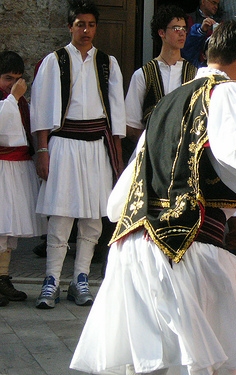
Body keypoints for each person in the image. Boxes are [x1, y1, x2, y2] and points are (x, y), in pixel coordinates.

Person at [70, 20, 236, 375]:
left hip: (134, 246)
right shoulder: (225, 91)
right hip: (185, 248)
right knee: (208, 358)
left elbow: (127, 184)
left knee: (153, 364)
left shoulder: (168, 101)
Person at [31, 0, 126, 309]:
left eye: (91, 24)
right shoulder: (54, 61)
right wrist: (42, 150)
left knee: (92, 219)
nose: (86, 30)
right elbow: (42, 110)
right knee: (60, 215)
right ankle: (51, 281)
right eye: (80, 24)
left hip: (96, 146)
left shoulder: (107, 63)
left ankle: (80, 279)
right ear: (70, 27)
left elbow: (116, 115)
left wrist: (117, 158)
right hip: (63, 144)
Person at [0, 51, 46, 307]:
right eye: (7, 78)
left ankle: (2, 277)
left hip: (17, 168)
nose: (13, 84)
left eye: (17, 79)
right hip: (1, 166)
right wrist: (14, 97)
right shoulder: (11, 99)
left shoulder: (20, 102)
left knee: (9, 231)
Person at [125, 4, 197, 146]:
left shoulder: (195, 74)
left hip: (185, 153)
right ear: (161, 33)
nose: (182, 33)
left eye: (184, 28)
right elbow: (131, 126)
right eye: (176, 28)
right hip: (151, 151)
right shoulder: (142, 75)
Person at [182, 0, 221, 67]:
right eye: (213, 3)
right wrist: (201, 31)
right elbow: (187, 50)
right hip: (192, 66)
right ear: (203, 1)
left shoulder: (221, 22)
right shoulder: (188, 19)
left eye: (217, 4)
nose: (216, 7)